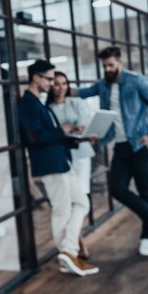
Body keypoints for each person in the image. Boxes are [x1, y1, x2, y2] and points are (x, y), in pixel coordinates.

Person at [73, 46, 148, 257]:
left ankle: (147, 237)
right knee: (118, 188)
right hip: (120, 146)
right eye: (104, 66)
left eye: (111, 65)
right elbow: (81, 93)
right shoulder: (103, 85)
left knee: (145, 190)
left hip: (140, 144)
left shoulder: (135, 80)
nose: (108, 69)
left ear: (120, 62)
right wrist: (56, 87)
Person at [17, 59, 99, 277]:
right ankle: (67, 256)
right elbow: (35, 137)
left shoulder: (38, 102)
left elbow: (52, 136)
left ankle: (68, 251)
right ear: (36, 78)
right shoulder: (27, 103)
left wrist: (76, 138)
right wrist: (63, 130)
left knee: (82, 202)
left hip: (61, 162)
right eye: (50, 78)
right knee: (61, 210)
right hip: (50, 165)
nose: (52, 83)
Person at [47, 70, 96, 259]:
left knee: (81, 200)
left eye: (64, 84)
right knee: (70, 202)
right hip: (63, 157)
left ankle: (74, 243)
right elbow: (55, 133)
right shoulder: (49, 108)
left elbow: (84, 126)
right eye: (57, 84)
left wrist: (70, 130)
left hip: (81, 156)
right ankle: (75, 244)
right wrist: (66, 131)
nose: (61, 88)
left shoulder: (76, 103)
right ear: (51, 86)